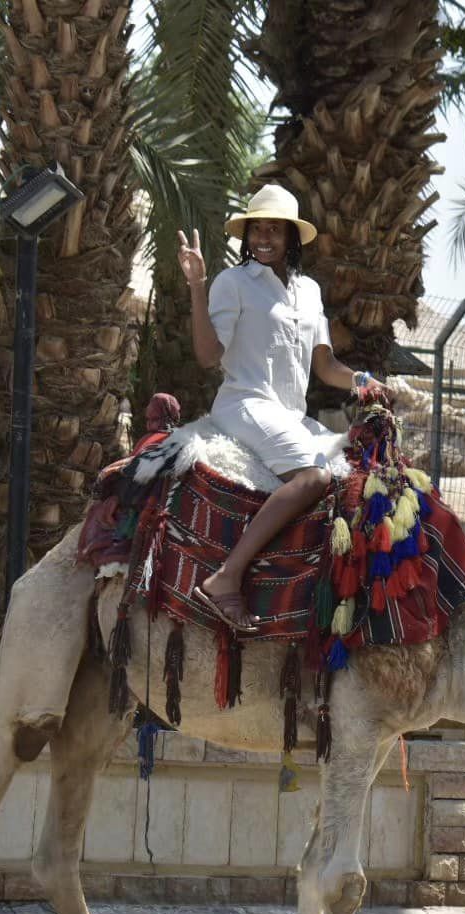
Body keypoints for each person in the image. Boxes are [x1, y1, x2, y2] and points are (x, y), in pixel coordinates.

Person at [176, 185, 386, 631]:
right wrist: (197, 286)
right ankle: (225, 577)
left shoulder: (309, 290)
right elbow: (208, 356)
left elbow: (325, 366)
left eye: (275, 229)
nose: (264, 238)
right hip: (244, 403)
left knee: (364, 476)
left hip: (291, 416)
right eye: (257, 229)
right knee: (313, 476)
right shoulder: (232, 282)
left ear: (292, 236)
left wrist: (363, 382)